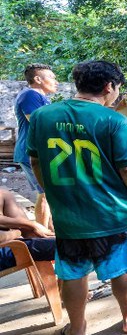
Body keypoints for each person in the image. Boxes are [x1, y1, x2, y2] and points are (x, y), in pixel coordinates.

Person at [27, 60, 127, 335]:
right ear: (109, 86)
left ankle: (76, 331)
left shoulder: (42, 116)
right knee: (122, 269)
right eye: (117, 88)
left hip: (69, 217)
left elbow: (35, 160)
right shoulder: (115, 120)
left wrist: (54, 189)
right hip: (112, 214)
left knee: (73, 272)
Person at [14, 63, 58, 230]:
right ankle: (41, 232)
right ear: (38, 79)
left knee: (48, 193)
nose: (56, 81)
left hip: (39, 152)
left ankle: (50, 230)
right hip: (30, 151)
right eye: (52, 77)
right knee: (45, 194)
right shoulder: (30, 95)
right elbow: (37, 122)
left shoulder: (42, 98)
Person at [0, 188, 55, 270]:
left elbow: (30, 234)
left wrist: (33, 226)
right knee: (71, 246)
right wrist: (18, 231)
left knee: (65, 244)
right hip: (4, 250)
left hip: (11, 245)